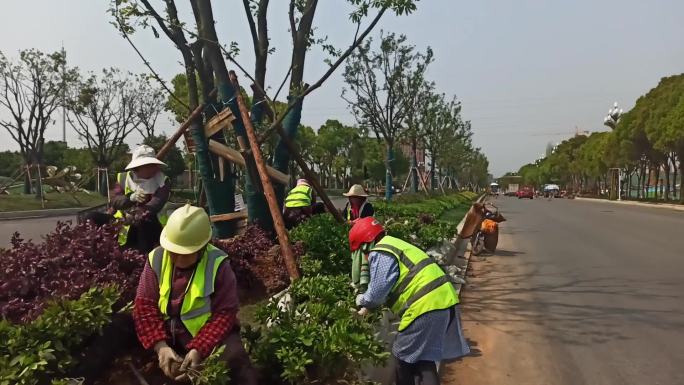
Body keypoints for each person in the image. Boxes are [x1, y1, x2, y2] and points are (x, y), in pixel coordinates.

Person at [71, 204, 257, 384]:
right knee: (117, 326)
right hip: (164, 332)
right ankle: (77, 380)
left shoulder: (218, 265)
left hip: (200, 336)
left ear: (201, 248)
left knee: (236, 357)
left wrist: (198, 349)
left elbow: (224, 315)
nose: (176, 257)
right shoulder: (157, 258)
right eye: (173, 251)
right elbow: (145, 306)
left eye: (184, 253)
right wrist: (160, 346)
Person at [349, 217, 470, 385]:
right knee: (423, 359)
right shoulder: (395, 244)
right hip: (444, 300)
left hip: (425, 306)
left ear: (366, 243)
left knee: (403, 358)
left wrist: (361, 300)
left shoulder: (381, 252)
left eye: (362, 251)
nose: (364, 256)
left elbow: (376, 293)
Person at [85, 144, 170, 254]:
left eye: (154, 164)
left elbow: (157, 203)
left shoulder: (163, 181)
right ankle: (92, 252)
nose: (154, 168)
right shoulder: (124, 178)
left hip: (150, 225)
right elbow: (115, 200)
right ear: (138, 167)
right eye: (149, 165)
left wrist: (137, 214)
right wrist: (130, 198)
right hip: (122, 223)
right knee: (91, 217)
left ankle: (143, 259)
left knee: (144, 222)